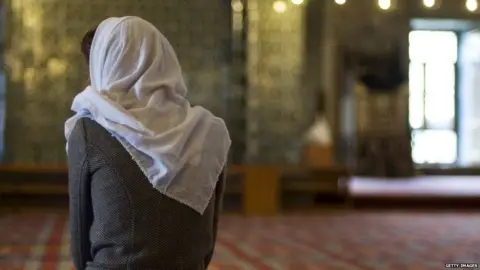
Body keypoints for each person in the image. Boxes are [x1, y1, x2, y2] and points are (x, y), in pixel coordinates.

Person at [65, 16, 231, 270]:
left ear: (104, 65)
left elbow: (80, 241)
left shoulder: (89, 129)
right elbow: (207, 239)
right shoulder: (210, 130)